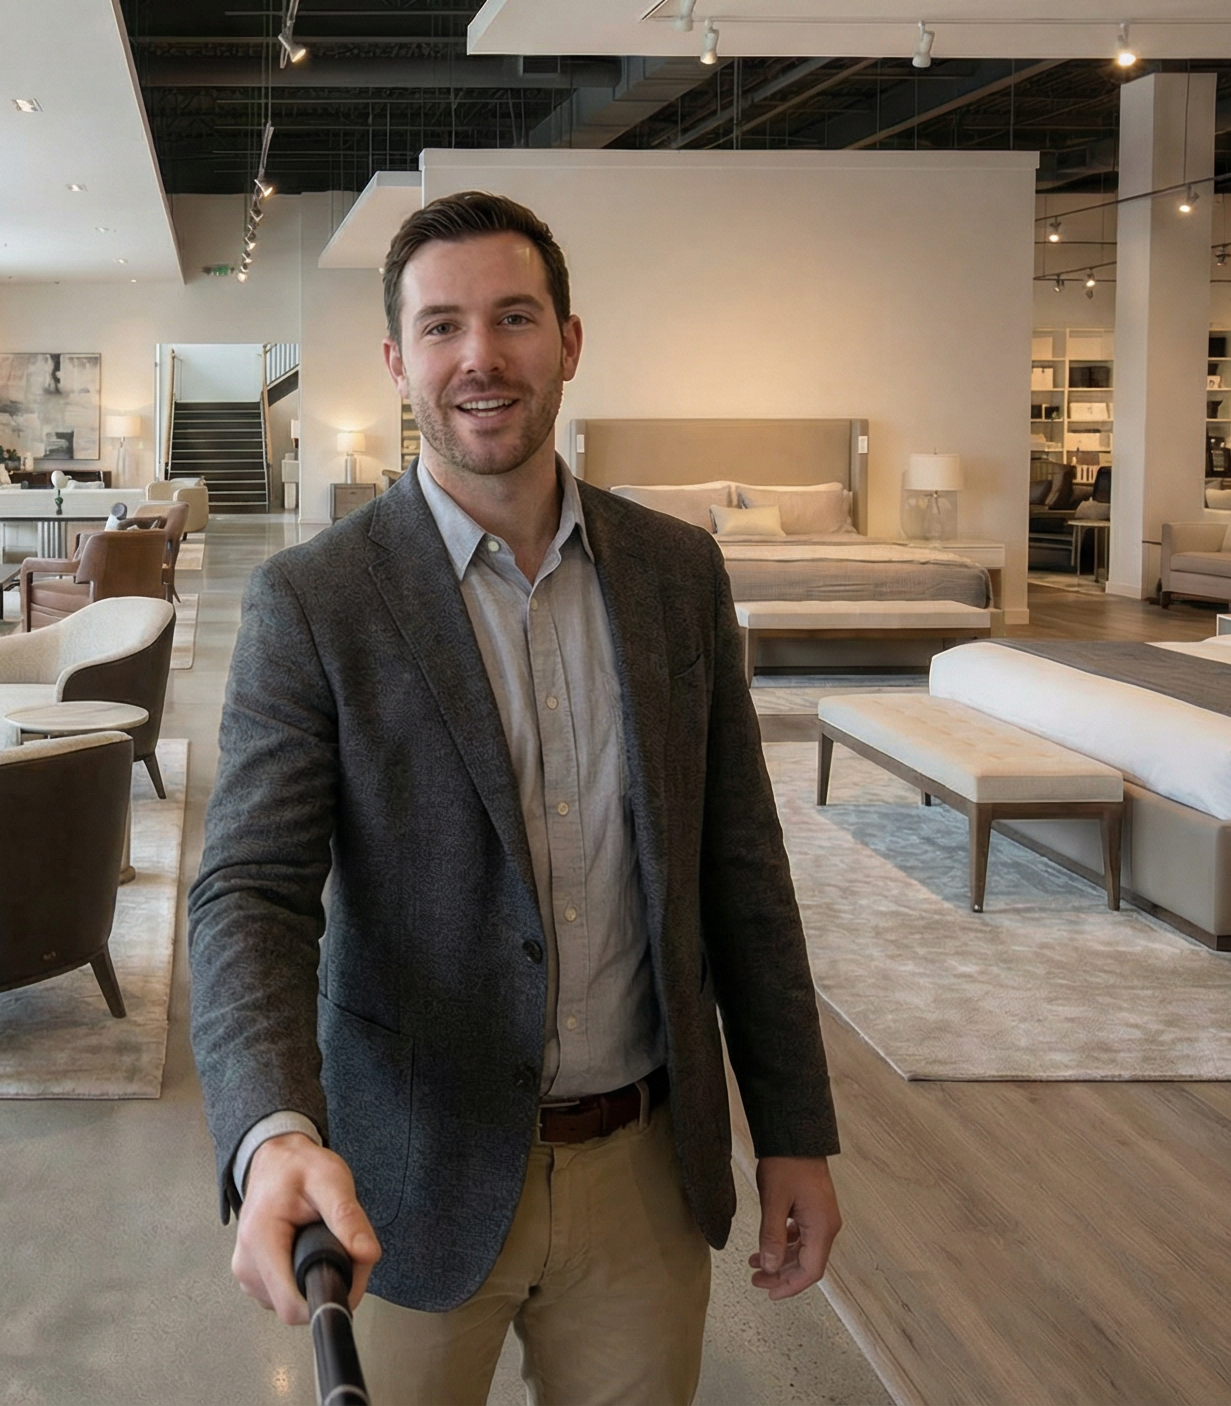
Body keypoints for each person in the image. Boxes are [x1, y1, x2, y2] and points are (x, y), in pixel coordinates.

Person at [188, 191, 841, 1405]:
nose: (479, 355)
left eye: (513, 317)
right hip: (406, 1185)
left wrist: (793, 1126)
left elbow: (741, 866)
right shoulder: (314, 600)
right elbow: (251, 893)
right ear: (397, 361)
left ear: (569, 342)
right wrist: (274, 1126)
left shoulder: (677, 574)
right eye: (441, 327)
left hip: (647, 1176)